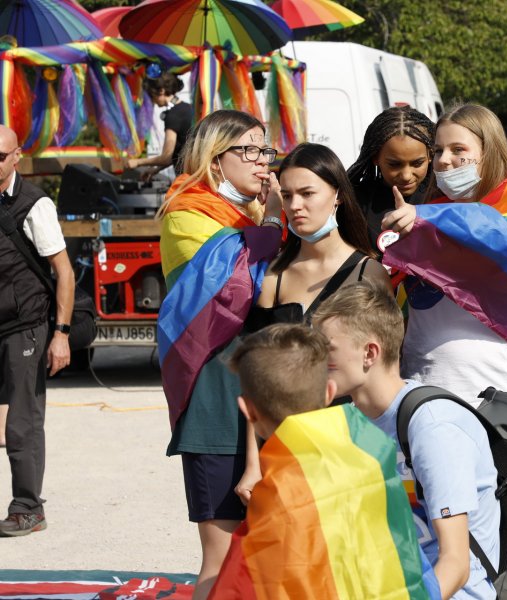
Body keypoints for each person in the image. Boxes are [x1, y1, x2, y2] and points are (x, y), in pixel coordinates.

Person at [209, 324, 439, 599]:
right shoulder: (377, 461)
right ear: (330, 392)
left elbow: (236, 588)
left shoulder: (276, 499)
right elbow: (417, 570)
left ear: (247, 411)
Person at [381, 103, 507, 414]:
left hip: (506, 401)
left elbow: (500, 235)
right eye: (438, 150)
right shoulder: (422, 212)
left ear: (489, 153)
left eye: (458, 149)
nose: (443, 160)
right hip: (425, 391)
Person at [156, 110, 284, 599]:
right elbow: (237, 283)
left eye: (264, 149)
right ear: (214, 160)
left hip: (263, 395)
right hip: (215, 400)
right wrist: (275, 220)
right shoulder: (185, 213)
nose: (261, 161)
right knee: (223, 558)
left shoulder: (248, 217)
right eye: (248, 150)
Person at [313, 281, 500, 600]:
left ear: (369, 353)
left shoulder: (433, 426)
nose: (314, 361)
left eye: (326, 350)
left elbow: (456, 565)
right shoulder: (350, 421)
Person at [0, 124, 75, 537]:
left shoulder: (34, 204)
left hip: (25, 324)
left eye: (0, 156)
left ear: (17, 157)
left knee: (22, 421)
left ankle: (28, 509)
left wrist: (60, 333)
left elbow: (64, 271)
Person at [245, 143, 388, 334]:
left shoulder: (371, 273)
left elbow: (384, 348)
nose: (294, 205)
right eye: (286, 196)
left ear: (339, 195)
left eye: (307, 194)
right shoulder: (273, 274)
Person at [347, 106, 435, 250]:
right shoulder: (355, 202)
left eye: (417, 163)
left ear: (430, 155)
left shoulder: (444, 197)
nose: (406, 176)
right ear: (375, 158)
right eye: (394, 164)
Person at [127, 73, 193, 179]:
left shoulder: (173, 115)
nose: (152, 100)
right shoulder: (188, 108)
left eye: (151, 95)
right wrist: (156, 169)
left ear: (161, 91)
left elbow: (166, 157)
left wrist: (138, 162)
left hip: (187, 179)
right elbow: (180, 152)